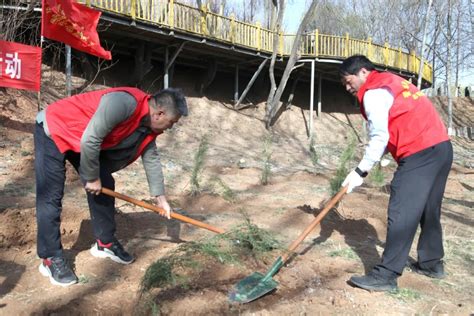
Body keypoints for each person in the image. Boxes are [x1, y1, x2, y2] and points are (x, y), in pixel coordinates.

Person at [34, 87, 188, 286]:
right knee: (51, 195)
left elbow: (151, 158)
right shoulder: (124, 103)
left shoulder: (147, 125)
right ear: (160, 113)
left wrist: (161, 200)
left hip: (82, 138)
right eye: (172, 122)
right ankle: (50, 257)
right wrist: (91, 178)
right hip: (55, 127)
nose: (171, 127)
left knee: (105, 182)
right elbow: (92, 138)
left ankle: (105, 242)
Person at [339, 55, 452, 292]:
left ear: (362, 72)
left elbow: (380, 136)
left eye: (348, 81)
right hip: (441, 147)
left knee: (402, 211)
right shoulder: (393, 81)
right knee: (429, 208)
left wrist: (360, 171)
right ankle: (432, 264)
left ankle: (386, 276)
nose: (348, 88)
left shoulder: (373, 92)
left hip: (420, 151)